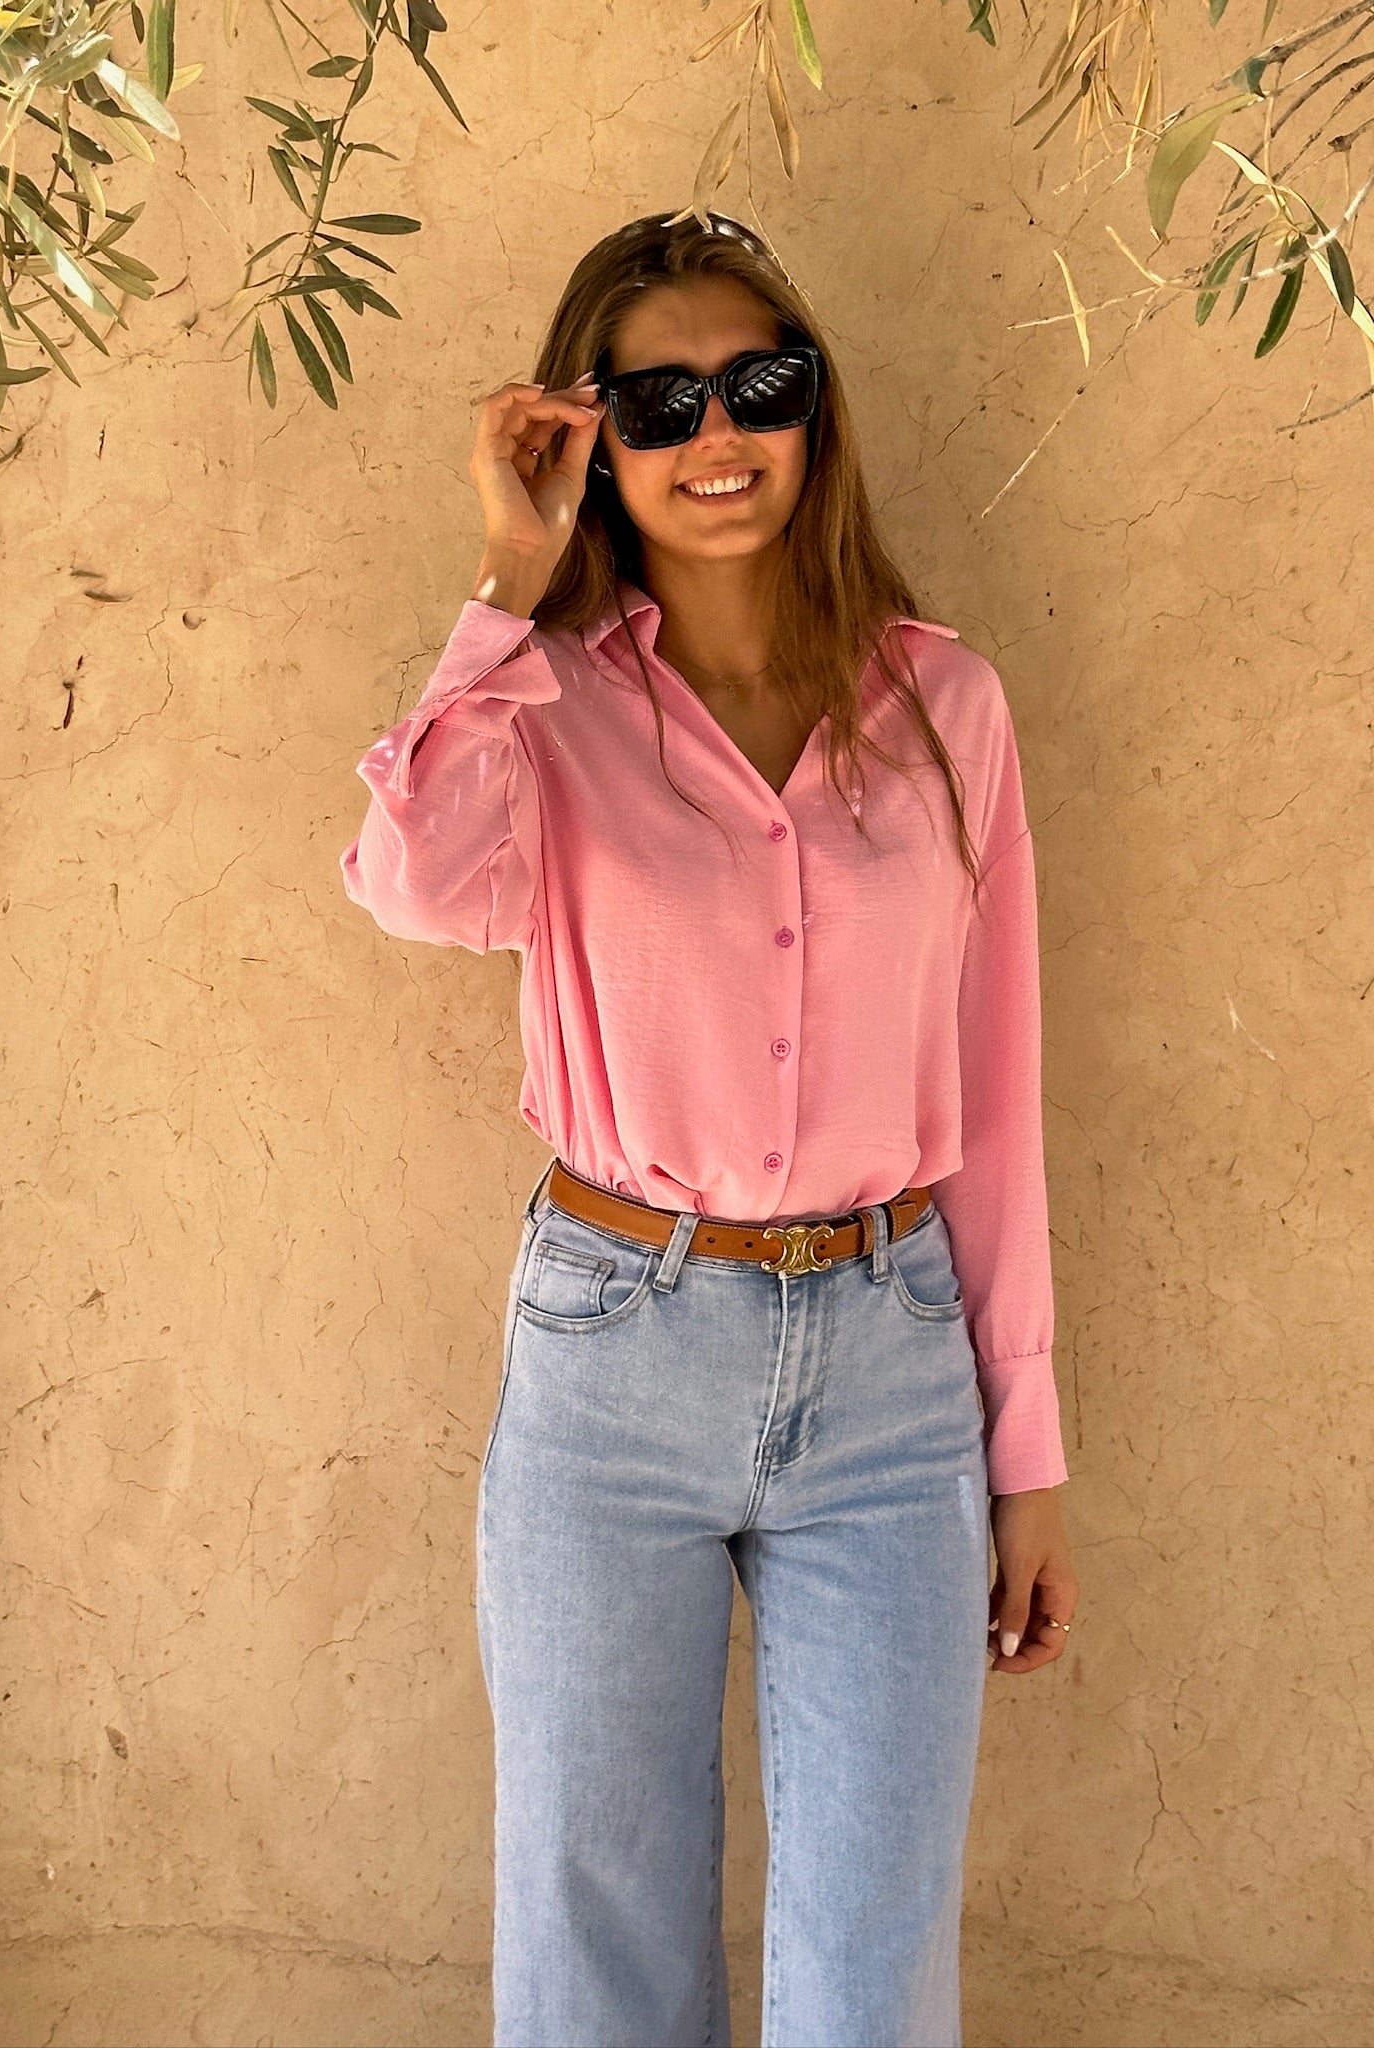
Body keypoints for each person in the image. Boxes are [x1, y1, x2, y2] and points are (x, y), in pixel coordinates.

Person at [338, 209, 1080, 2048]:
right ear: (592, 441)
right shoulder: (546, 710)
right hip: (616, 1349)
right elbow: (409, 884)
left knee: (871, 1958)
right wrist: (508, 581)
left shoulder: (948, 705)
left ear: (817, 407)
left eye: (760, 383)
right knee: (590, 1932)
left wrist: (1030, 1450)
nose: (717, 435)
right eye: (658, 405)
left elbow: (996, 1091)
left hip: (894, 1366)